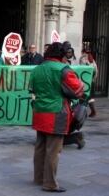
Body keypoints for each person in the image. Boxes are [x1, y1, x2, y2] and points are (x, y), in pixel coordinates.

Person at [29, 42, 84, 193]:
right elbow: (78, 90)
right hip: (56, 112)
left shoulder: (37, 69)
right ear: (61, 55)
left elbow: (32, 88)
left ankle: (39, 178)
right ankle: (50, 183)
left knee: (40, 147)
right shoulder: (63, 69)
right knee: (54, 150)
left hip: (39, 111)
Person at [79, 48, 97, 117]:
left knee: (83, 97)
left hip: (85, 81)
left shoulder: (83, 59)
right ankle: (92, 111)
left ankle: (82, 113)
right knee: (89, 97)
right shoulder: (92, 60)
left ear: (83, 52)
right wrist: (93, 79)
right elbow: (96, 71)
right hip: (91, 81)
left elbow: (81, 70)